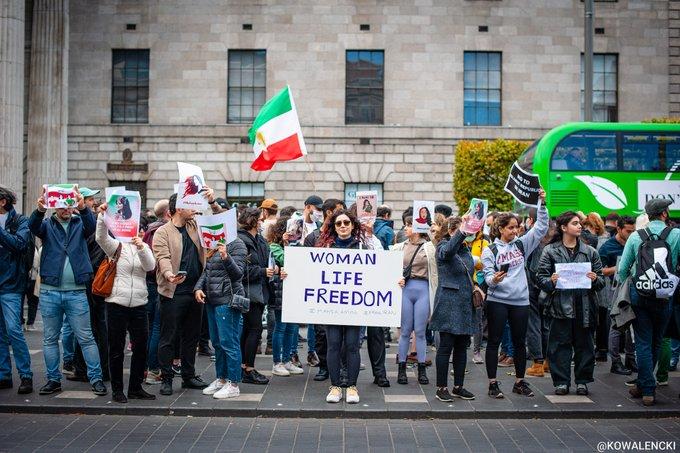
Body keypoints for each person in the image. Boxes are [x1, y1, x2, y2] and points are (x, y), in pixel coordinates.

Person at [316, 209, 404, 404]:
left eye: (346, 222)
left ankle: (352, 387)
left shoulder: (364, 248)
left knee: (352, 346)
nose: (343, 226)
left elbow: (380, 271)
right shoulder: (326, 249)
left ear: (353, 225)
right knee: (333, 346)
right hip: (332, 307)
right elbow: (311, 274)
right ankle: (336, 386)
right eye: (338, 223)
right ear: (333, 227)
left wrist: (395, 282)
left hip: (356, 308)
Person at [29, 185, 107, 396]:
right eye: (61, 206)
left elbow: (93, 227)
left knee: (86, 337)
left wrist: (83, 207)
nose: (65, 209)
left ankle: (96, 379)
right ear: (55, 207)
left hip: (77, 291)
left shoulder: (80, 223)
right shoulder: (46, 225)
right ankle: (53, 380)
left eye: (68, 205)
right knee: (50, 338)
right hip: (50, 291)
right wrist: (39, 209)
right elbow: (33, 226)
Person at [481, 191, 548, 398]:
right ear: (500, 229)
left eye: (517, 227)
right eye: (510, 228)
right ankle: (493, 384)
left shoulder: (521, 244)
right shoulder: (490, 250)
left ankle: (520, 382)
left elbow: (541, 228)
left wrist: (542, 204)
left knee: (520, 342)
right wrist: (495, 279)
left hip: (520, 301)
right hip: (497, 301)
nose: (515, 231)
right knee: (494, 341)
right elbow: (488, 277)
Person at [153, 188, 219, 396]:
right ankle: (166, 378)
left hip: (195, 291)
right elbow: (162, 257)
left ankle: (189, 376)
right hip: (173, 292)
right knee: (169, 337)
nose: (196, 209)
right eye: (191, 205)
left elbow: (220, 225)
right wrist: (168, 274)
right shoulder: (162, 232)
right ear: (179, 208)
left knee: (191, 337)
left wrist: (212, 202)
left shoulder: (195, 225)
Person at [618, 199, 680, 406]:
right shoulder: (677, 235)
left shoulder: (636, 236)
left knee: (643, 341)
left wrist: (632, 281)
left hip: (640, 294)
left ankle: (646, 388)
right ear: (664, 214)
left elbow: (622, 270)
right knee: (657, 339)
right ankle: (646, 384)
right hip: (665, 294)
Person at [537, 211, 605, 396]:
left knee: (585, 346)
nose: (579, 226)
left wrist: (594, 279)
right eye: (575, 223)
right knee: (559, 346)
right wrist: (551, 280)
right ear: (563, 227)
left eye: (579, 223)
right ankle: (561, 382)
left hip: (585, 306)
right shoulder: (550, 250)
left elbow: (601, 281)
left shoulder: (590, 251)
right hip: (559, 306)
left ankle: (582, 381)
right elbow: (540, 277)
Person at [95, 204, 156, 403]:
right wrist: (103, 216)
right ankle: (117, 389)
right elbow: (100, 238)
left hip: (139, 303)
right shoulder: (116, 246)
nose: (136, 231)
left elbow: (150, 266)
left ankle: (136, 388)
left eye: (139, 228)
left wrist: (140, 247)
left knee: (141, 347)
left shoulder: (144, 247)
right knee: (116, 347)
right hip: (116, 303)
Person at [195, 229, 247, 400]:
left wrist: (226, 256)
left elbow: (238, 274)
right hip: (212, 299)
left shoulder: (237, 244)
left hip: (227, 299)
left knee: (229, 342)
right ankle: (221, 378)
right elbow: (207, 271)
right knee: (217, 342)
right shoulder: (212, 244)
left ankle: (233, 383)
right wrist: (198, 288)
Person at [429, 216, 477, 403]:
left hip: (464, 304)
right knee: (445, 347)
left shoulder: (465, 248)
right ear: (451, 231)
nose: (469, 234)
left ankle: (458, 386)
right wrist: (462, 231)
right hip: (448, 304)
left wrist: (475, 285)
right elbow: (447, 253)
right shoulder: (442, 246)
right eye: (464, 231)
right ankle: (441, 388)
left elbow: (467, 272)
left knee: (462, 348)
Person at [392, 216, 438, 385]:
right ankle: (402, 368)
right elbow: (387, 268)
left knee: (420, 331)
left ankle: (421, 368)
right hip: (405, 289)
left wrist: (433, 232)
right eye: (406, 225)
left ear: (418, 228)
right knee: (404, 331)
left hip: (423, 289)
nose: (406, 228)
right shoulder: (399, 247)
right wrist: (396, 278)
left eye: (409, 225)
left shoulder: (430, 247)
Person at [69, 187, 109, 384]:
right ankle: (97, 368)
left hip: (91, 279)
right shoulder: (87, 222)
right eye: (90, 199)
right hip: (96, 279)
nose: (93, 202)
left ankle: (83, 367)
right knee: (95, 326)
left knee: (87, 326)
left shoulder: (86, 222)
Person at [304, 198, 346, 382]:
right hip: (320, 292)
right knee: (321, 332)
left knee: (342, 333)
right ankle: (323, 367)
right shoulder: (313, 237)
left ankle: (342, 367)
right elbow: (303, 263)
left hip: (340, 292)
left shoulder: (342, 237)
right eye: (338, 211)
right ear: (329, 213)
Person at [0, 187, 34, 394]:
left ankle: (26, 375)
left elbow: (20, 244)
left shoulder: (20, 221)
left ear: (3, 201)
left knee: (13, 330)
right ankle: (3, 374)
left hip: (11, 284)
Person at [237, 207, 273, 385]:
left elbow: (267, 260)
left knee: (249, 330)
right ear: (252, 220)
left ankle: (243, 366)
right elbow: (241, 271)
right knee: (255, 329)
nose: (262, 222)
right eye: (260, 219)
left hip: (258, 291)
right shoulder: (242, 241)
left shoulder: (259, 240)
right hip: (249, 293)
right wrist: (263, 271)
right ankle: (247, 369)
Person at [598, 216, 636, 376]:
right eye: (628, 231)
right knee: (616, 325)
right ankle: (615, 361)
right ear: (619, 229)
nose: (631, 234)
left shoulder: (633, 242)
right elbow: (599, 270)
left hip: (631, 288)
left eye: (633, 231)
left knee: (631, 325)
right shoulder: (607, 247)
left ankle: (630, 359)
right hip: (615, 290)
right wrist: (619, 267)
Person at [268, 217, 303, 377]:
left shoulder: (297, 245)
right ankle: (277, 362)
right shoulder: (274, 246)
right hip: (280, 292)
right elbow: (287, 260)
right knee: (280, 328)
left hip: (294, 291)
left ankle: (287, 360)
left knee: (292, 328)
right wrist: (287, 244)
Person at [142, 199, 171, 385]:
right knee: (157, 328)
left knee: (151, 326)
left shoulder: (148, 230)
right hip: (157, 283)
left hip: (149, 284)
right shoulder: (161, 232)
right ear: (168, 213)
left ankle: (147, 367)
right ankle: (153, 369)